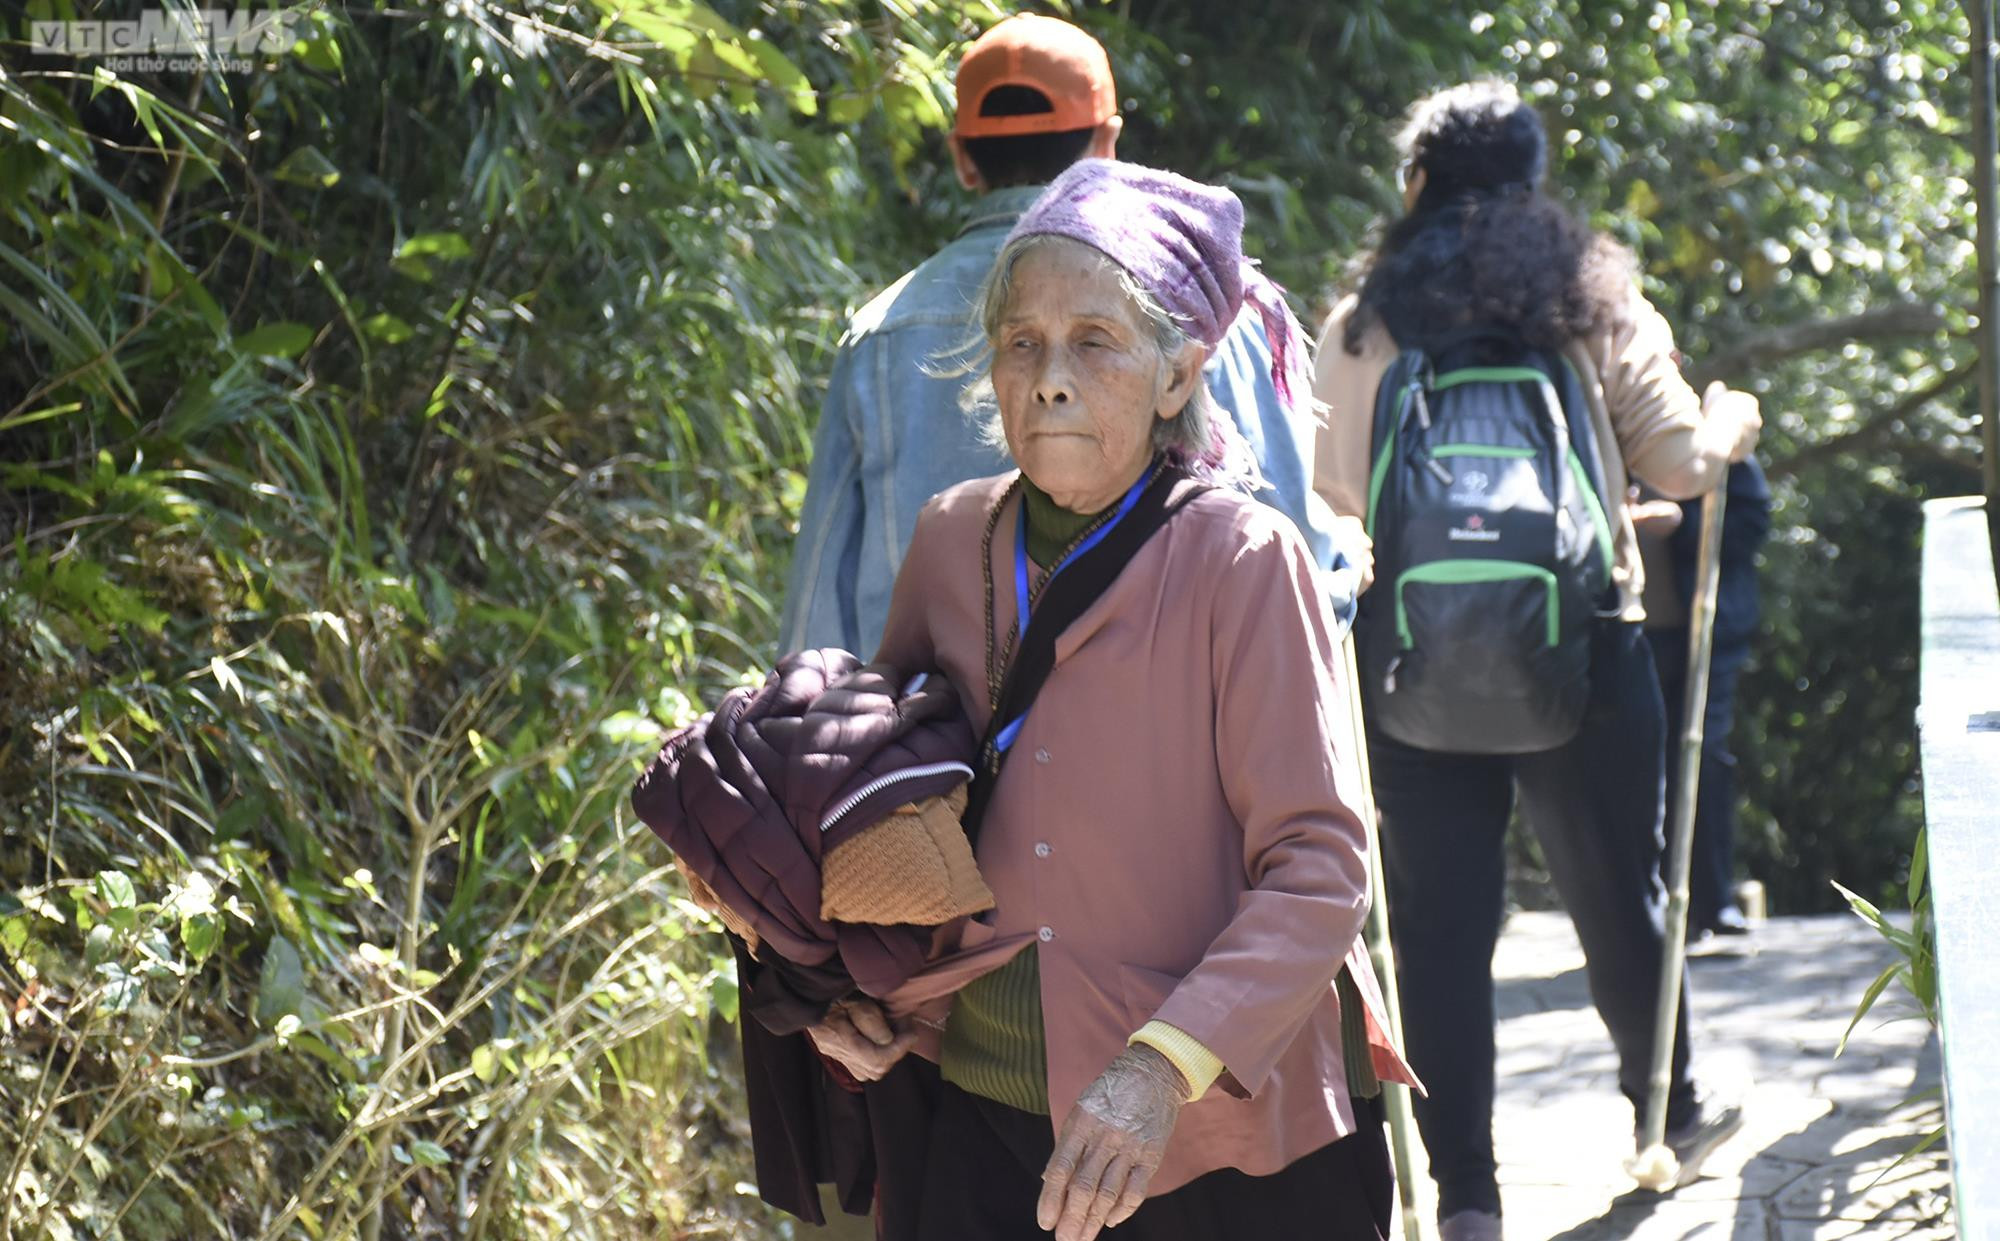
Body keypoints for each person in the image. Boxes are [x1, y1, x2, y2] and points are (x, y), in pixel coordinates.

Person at [809, 158, 1417, 1241]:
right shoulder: (953, 539)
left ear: (1176, 378)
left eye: (1094, 342)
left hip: (1214, 1130)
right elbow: (909, 802)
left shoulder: (1241, 558)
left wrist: (1156, 1063)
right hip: (986, 1116)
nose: (1049, 377)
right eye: (1021, 344)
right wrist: (874, 1001)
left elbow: (1320, 869)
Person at [1310, 81, 1762, 1241]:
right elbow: (1676, 464)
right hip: (1583, 636)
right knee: (1619, 891)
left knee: (1440, 923)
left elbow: (1331, 490)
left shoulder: (1364, 317)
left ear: (1414, 186)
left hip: (1408, 656)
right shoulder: (1589, 298)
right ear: (1530, 186)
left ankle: (1465, 1192)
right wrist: (1729, 423)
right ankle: (1665, 1106)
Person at [779, 13, 1335, 661]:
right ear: (1107, 147)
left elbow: (819, 607)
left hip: (933, 747)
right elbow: (1294, 551)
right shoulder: (1203, 310)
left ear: (962, 157)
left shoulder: (882, 330)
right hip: (1164, 735)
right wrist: (1342, 551)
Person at [1633, 459, 1773, 939]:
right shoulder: (1593, 420)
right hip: (1624, 640)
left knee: (1701, 760)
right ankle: (1648, 910)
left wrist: (1680, 522)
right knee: (1632, 769)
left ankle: (1712, 903)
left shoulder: (1714, 434)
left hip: (1705, 640)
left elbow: (1750, 526)